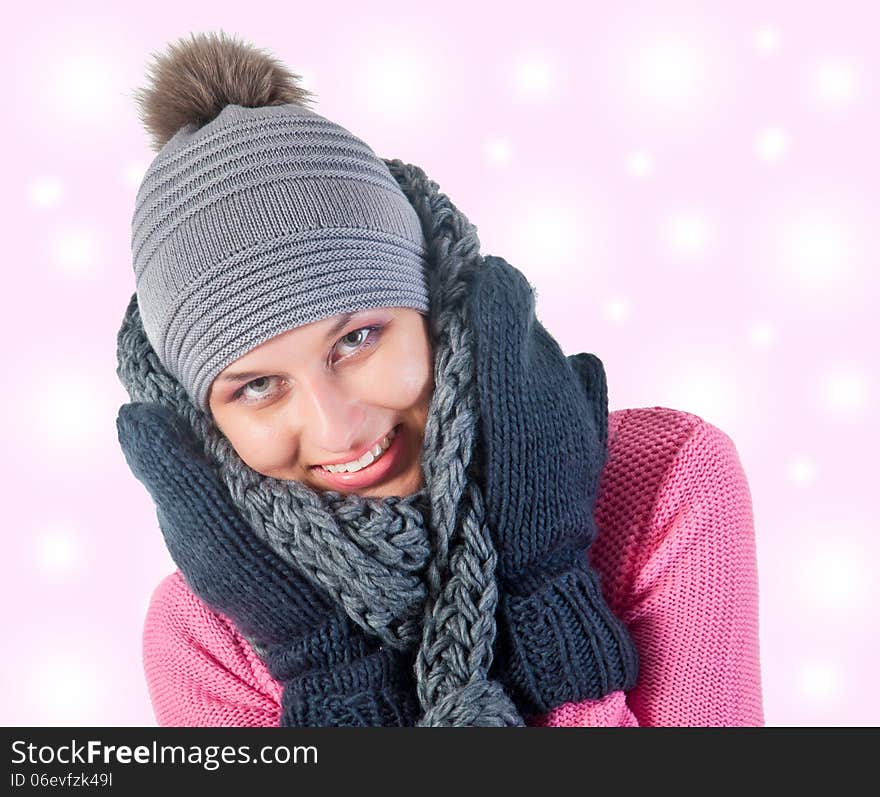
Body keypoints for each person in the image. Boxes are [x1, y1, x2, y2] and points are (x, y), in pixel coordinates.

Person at [116, 31, 764, 727]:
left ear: (433, 302)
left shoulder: (667, 486)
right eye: (256, 387)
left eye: (356, 339)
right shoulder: (203, 636)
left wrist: (551, 589)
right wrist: (330, 672)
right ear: (204, 419)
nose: (336, 426)